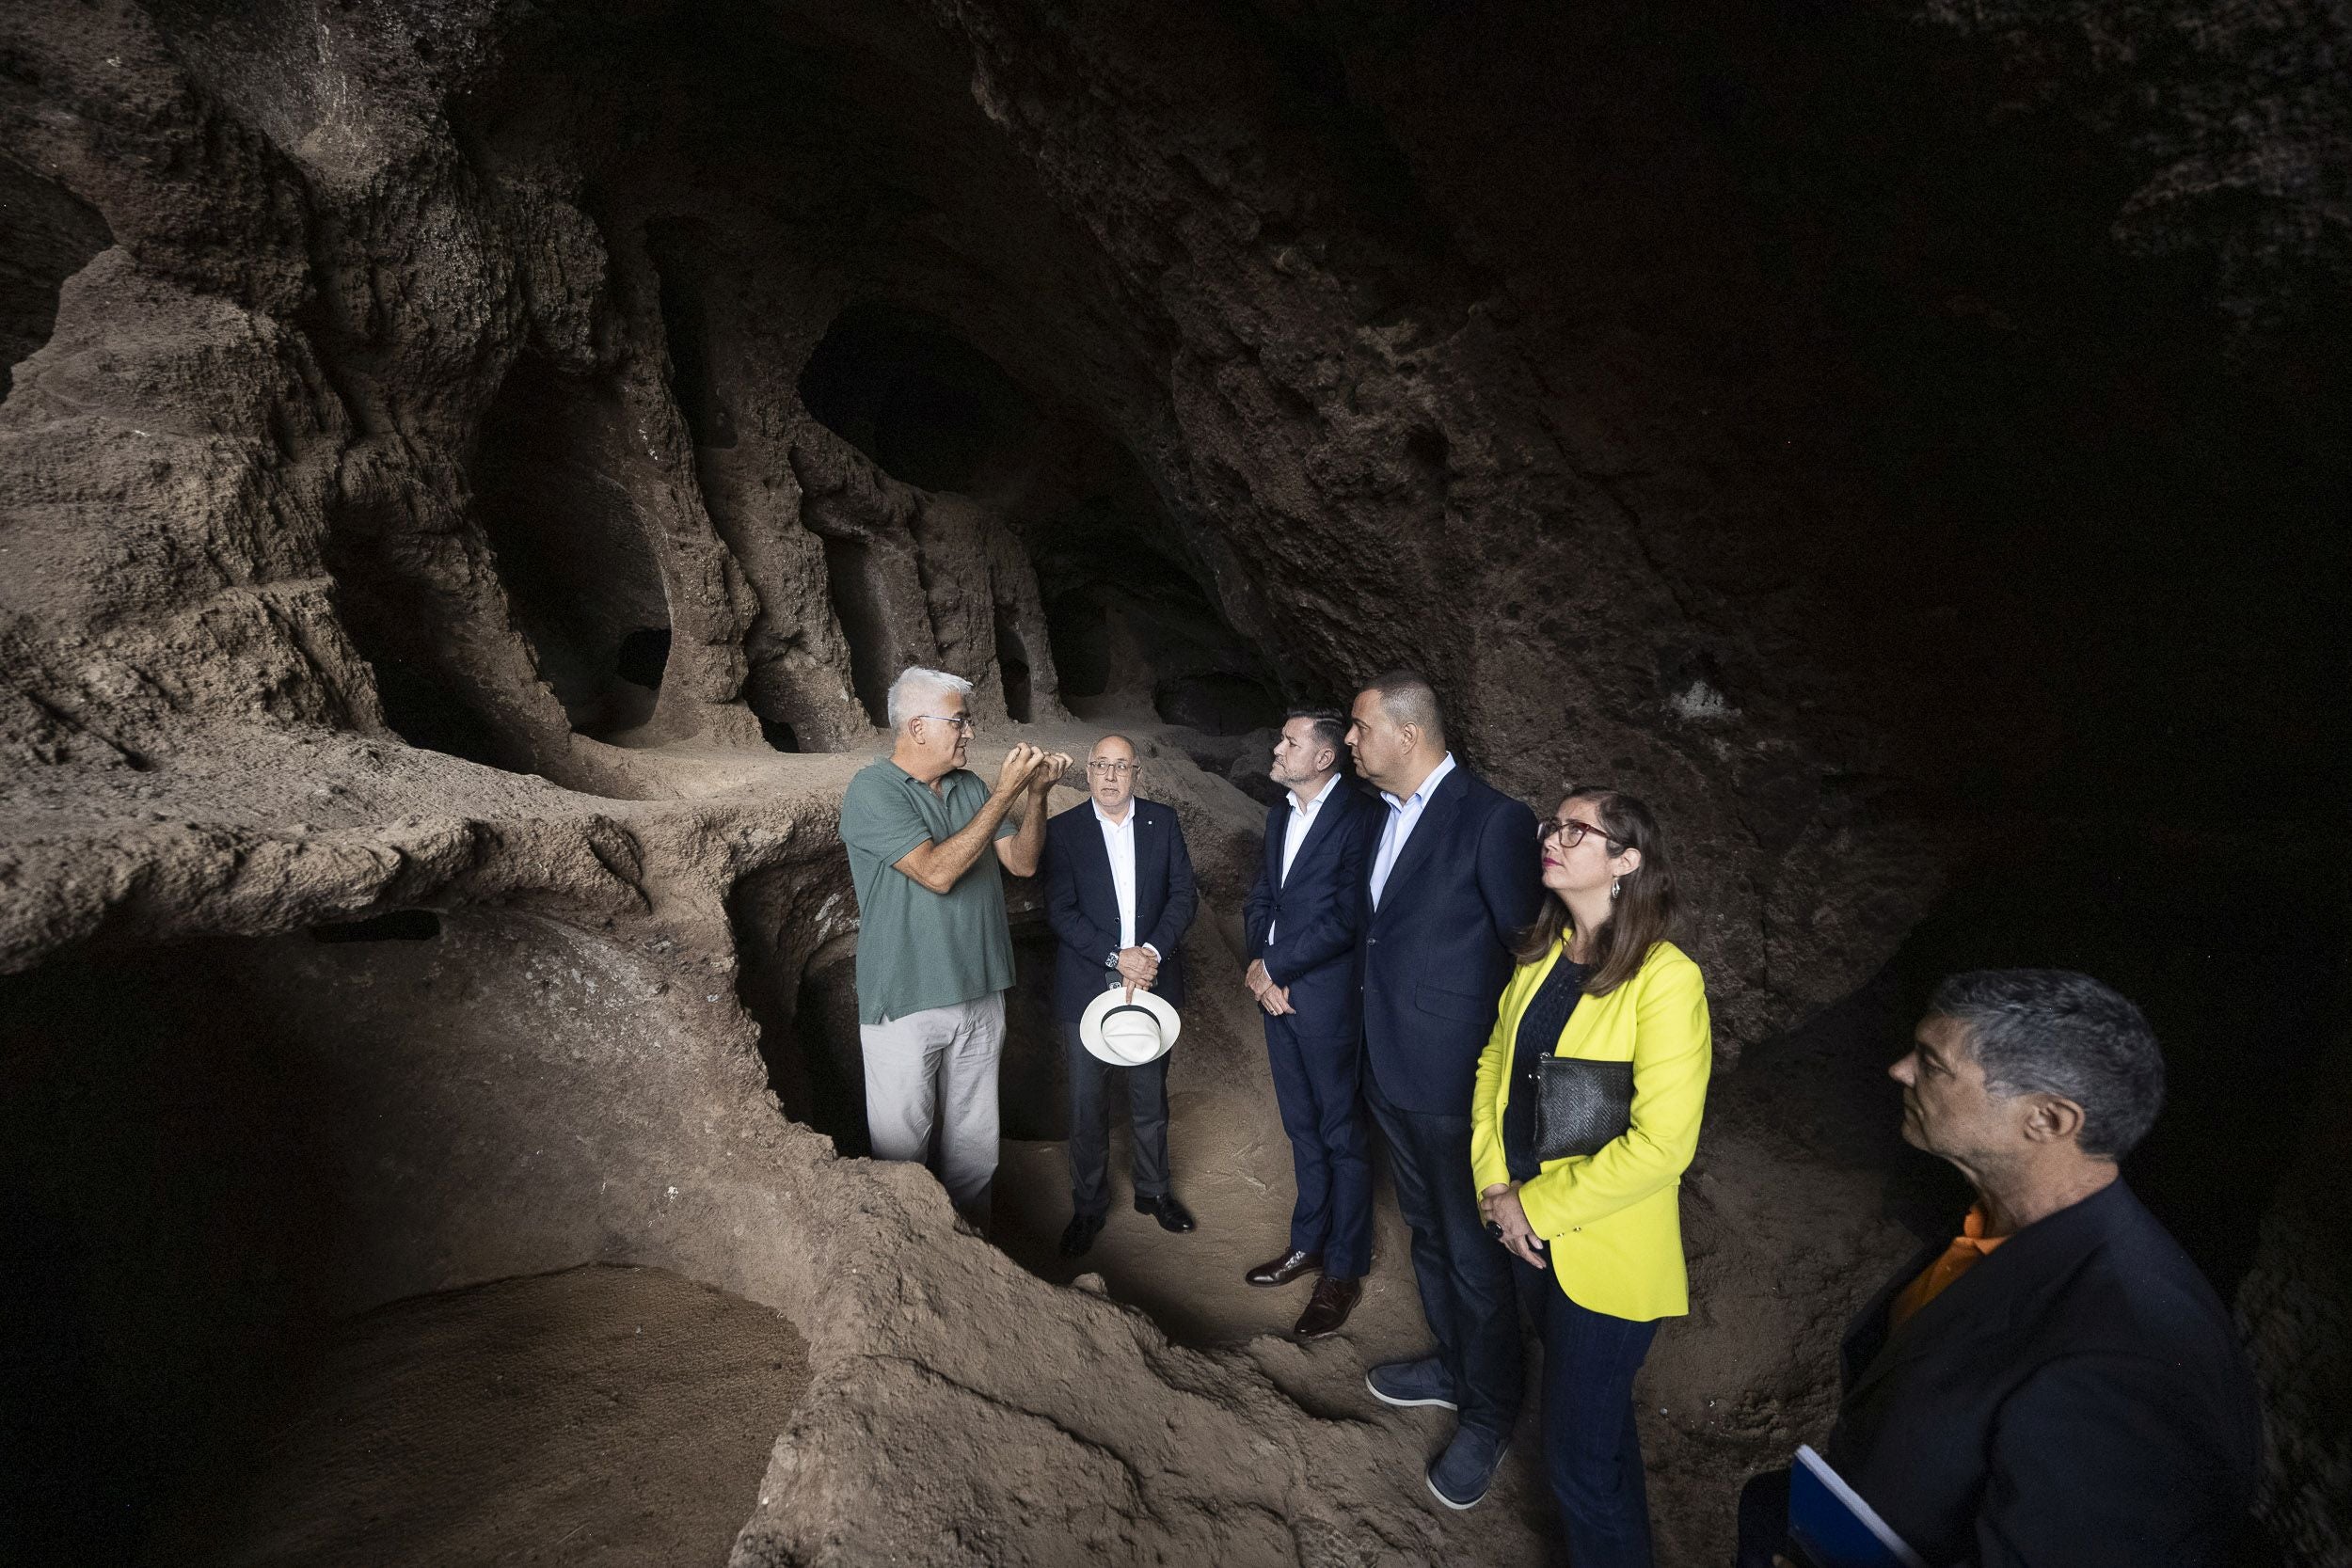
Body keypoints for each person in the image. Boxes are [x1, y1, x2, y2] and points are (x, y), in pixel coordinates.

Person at [1733, 969, 2263, 1568]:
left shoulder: (2127, 1357)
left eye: (1932, 1064)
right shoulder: (2004, 1223)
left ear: (2048, 1120)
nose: (1899, 1070)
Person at [1473, 787, 1710, 1567]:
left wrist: (1531, 1206)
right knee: (1597, 1434)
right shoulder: (1544, 952)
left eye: (1576, 829)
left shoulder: (1665, 978)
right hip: (1524, 1231)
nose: (1552, 836)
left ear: (1625, 860)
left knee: (1576, 1460)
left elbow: (1662, 1146)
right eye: (1553, 824)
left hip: (1603, 1253)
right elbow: (1495, 1064)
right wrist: (1493, 1186)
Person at [1345, 670, 1543, 1510]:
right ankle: (1455, 1367)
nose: (1350, 740)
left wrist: (1512, 1088)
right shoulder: (1382, 814)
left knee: (1473, 1253)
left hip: (1459, 1082)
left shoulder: (1493, 820)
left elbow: (1529, 953)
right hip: (1391, 1069)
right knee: (1428, 1233)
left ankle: (1490, 1412)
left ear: (1408, 733)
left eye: (1359, 726)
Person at [835, 667, 1068, 1228]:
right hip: (907, 997)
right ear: (917, 727)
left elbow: (1022, 862)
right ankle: (910, 1254)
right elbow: (937, 872)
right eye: (959, 721)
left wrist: (1035, 796)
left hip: (981, 989)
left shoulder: (968, 787)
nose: (970, 732)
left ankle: (975, 1249)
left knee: (974, 1149)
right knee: (902, 1153)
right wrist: (1006, 791)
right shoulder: (872, 790)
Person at [1241, 709, 1379, 1337]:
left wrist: (1276, 966)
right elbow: (1262, 899)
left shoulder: (1361, 817)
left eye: (1289, 741)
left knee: (1342, 1134)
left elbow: (1350, 915)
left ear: (1324, 758)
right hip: (1275, 996)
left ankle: (1342, 1271)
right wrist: (1259, 967)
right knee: (1302, 1127)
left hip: (1326, 1001)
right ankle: (1308, 1245)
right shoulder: (1280, 816)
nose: (1277, 747)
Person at [1041, 734, 1200, 1257]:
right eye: (1101, 766)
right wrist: (1117, 957)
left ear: (1136, 774)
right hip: (1088, 986)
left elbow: (1183, 895)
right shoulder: (1063, 830)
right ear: (1087, 771)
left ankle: (1154, 1192)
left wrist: (1149, 953)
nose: (1110, 776)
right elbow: (1060, 911)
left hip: (1152, 981)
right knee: (1087, 1105)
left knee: (1150, 1098)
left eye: (1121, 767)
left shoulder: (1163, 822)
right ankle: (1088, 1206)